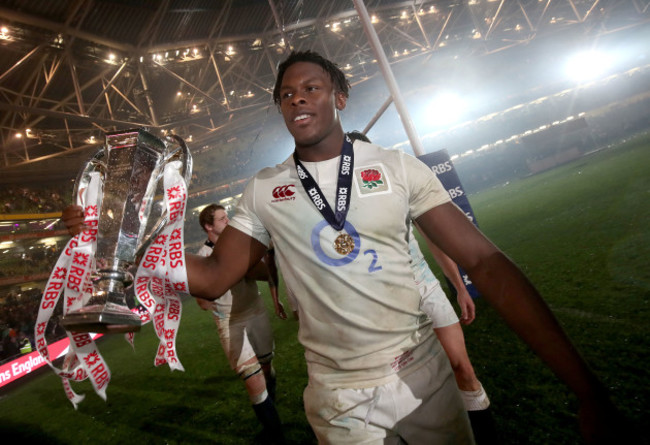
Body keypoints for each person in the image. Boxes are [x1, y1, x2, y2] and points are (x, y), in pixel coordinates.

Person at [65, 50, 630, 444]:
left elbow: (486, 260)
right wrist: (113, 236)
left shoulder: (397, 168)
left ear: (339, 95)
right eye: (286, 95)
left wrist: (585, 388)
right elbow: (214, 277)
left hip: (424, 374)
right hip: (336, 394)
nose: (296, 100)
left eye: (310, 87)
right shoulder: (263, 189)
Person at [347, 130, 496, 442]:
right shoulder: (339, 208)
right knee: (407, 388)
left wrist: (459, 286)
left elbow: (435, 240)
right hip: (387, 307)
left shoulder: (395, 185)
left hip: (426, 289)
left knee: (463, 370)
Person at [195, 203, 285, 443]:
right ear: (208, 226)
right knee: (252, 376)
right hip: (230, 321)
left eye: (227, 217)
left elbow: (267, 273)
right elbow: (198, 294)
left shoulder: (241, 246)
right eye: (223, 219)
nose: (228, 221)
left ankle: (270, 412)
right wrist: (202, 298)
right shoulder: (202, 256)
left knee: (266, 368)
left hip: (256, 311)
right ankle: (275, 434)